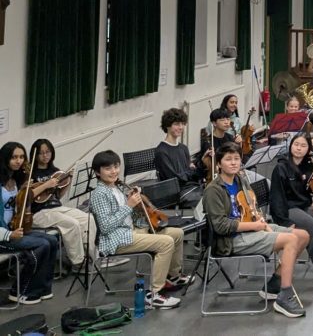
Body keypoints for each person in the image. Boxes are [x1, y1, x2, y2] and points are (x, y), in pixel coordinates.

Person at [203, 142, 309, 318]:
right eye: (228, 159)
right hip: (232, 240)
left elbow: (252, 206)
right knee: (290, 240)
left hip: (251, 229)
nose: (233, 163)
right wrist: (255, 226)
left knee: (303, 235)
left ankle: (275, 283)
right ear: (219, 164)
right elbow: (220, 226)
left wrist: (263, 222)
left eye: (236, 158)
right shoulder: (213, 190)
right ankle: (284, 295)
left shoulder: (240, 180)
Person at [90, 150, 191, 309]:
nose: (114, 171)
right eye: (108, 168)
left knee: (177, 233)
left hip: (130, 231)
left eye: (116, 166)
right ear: (97, 172)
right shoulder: (99, 194)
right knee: (165, 243)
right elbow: (106, 226)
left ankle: (174, 276)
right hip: (116, 239)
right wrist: (128, 205)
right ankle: (154, 294)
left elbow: (129, 217)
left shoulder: (117, 188)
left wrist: (137, 205)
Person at [269, 134, 313, 278]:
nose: (299, 148)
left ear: (308, 149)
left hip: (303, 207)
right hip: (287, 209)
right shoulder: (281, 167)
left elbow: (310, 191)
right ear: (290, 146)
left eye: (303, 146)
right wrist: (284, 221)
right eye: (296, 144)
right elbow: (277, 198)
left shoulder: (307, 167)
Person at [0, 142, 59, 304]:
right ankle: (20, 291)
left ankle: (42, 288)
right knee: (41, 245)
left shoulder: (17, 180)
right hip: (4, 236)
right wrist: (9, 234)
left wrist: (25, 191)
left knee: (53, 241)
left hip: (15, 228)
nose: (18, 161)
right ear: (5, 159)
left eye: (21, 157)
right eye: (14, 157)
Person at [28, 139, 90, 267]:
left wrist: (69, 180)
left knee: (87, 219)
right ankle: (78, 263)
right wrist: (46, 185)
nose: (45, 156)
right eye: (41, 153)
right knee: (72, 224)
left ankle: (95, 256)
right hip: (38, 212)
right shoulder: (29, 174)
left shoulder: (55, 171)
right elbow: (28, 196)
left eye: (48, 152)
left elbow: (57, 196)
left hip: (56, 208)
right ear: (35, 155)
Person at [153, 107, 204, 207]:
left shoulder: (183, 148)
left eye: (182, 124)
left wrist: (200, 165)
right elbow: (174, 179)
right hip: (176, 193)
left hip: (190, 187)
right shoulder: (161, 152)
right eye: (176, 124)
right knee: (208, 202)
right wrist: (191, 171)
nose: (181, 127)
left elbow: (187, 173)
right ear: (167, 125)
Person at [200, 108, 237, 172]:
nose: (226, 122)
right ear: (214, 123)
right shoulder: (208, 141)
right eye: (222, 120)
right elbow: (207, 165)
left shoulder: (230, 137)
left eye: (228, 119)